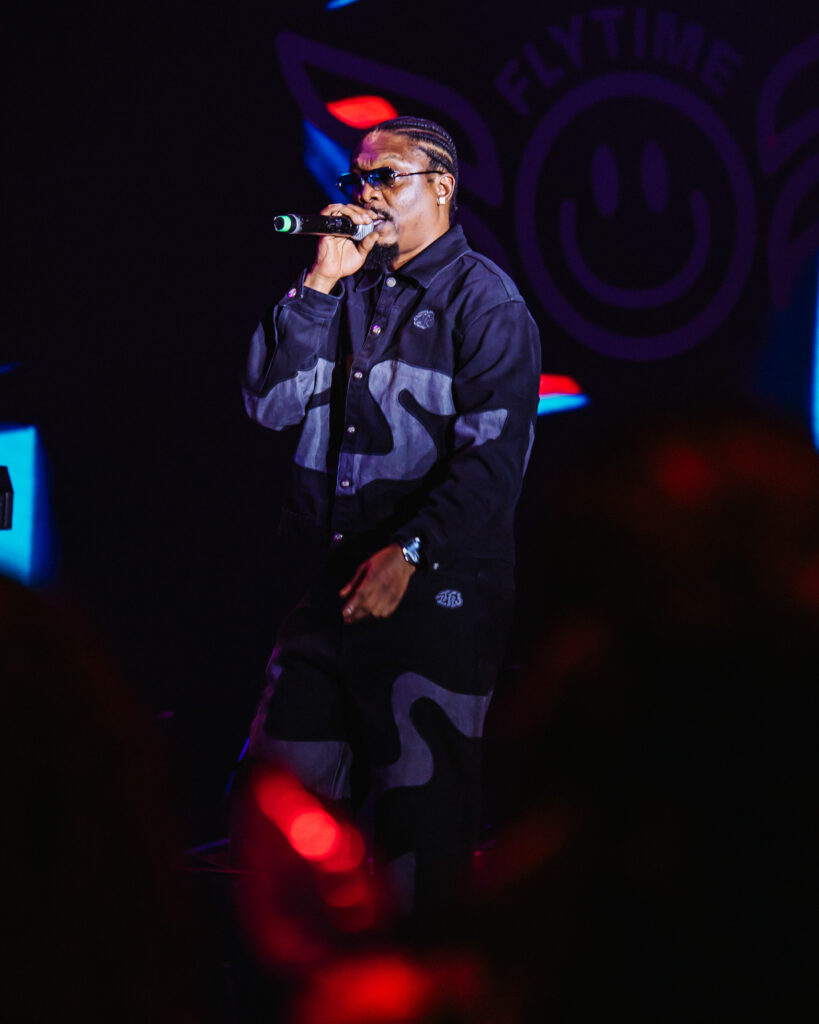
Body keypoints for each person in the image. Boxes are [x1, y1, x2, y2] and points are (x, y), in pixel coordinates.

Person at [240, 116, 541, 914]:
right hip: (330, 589)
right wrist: (317, 285)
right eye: (357, 179)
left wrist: (410, 551)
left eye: (386, 177)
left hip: (434, 593)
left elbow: (492, 464)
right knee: (280, 812)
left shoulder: (486, 303)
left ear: (441, 186)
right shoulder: (342, 286)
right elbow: (269, 407)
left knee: (420, 835)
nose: (365, 194)